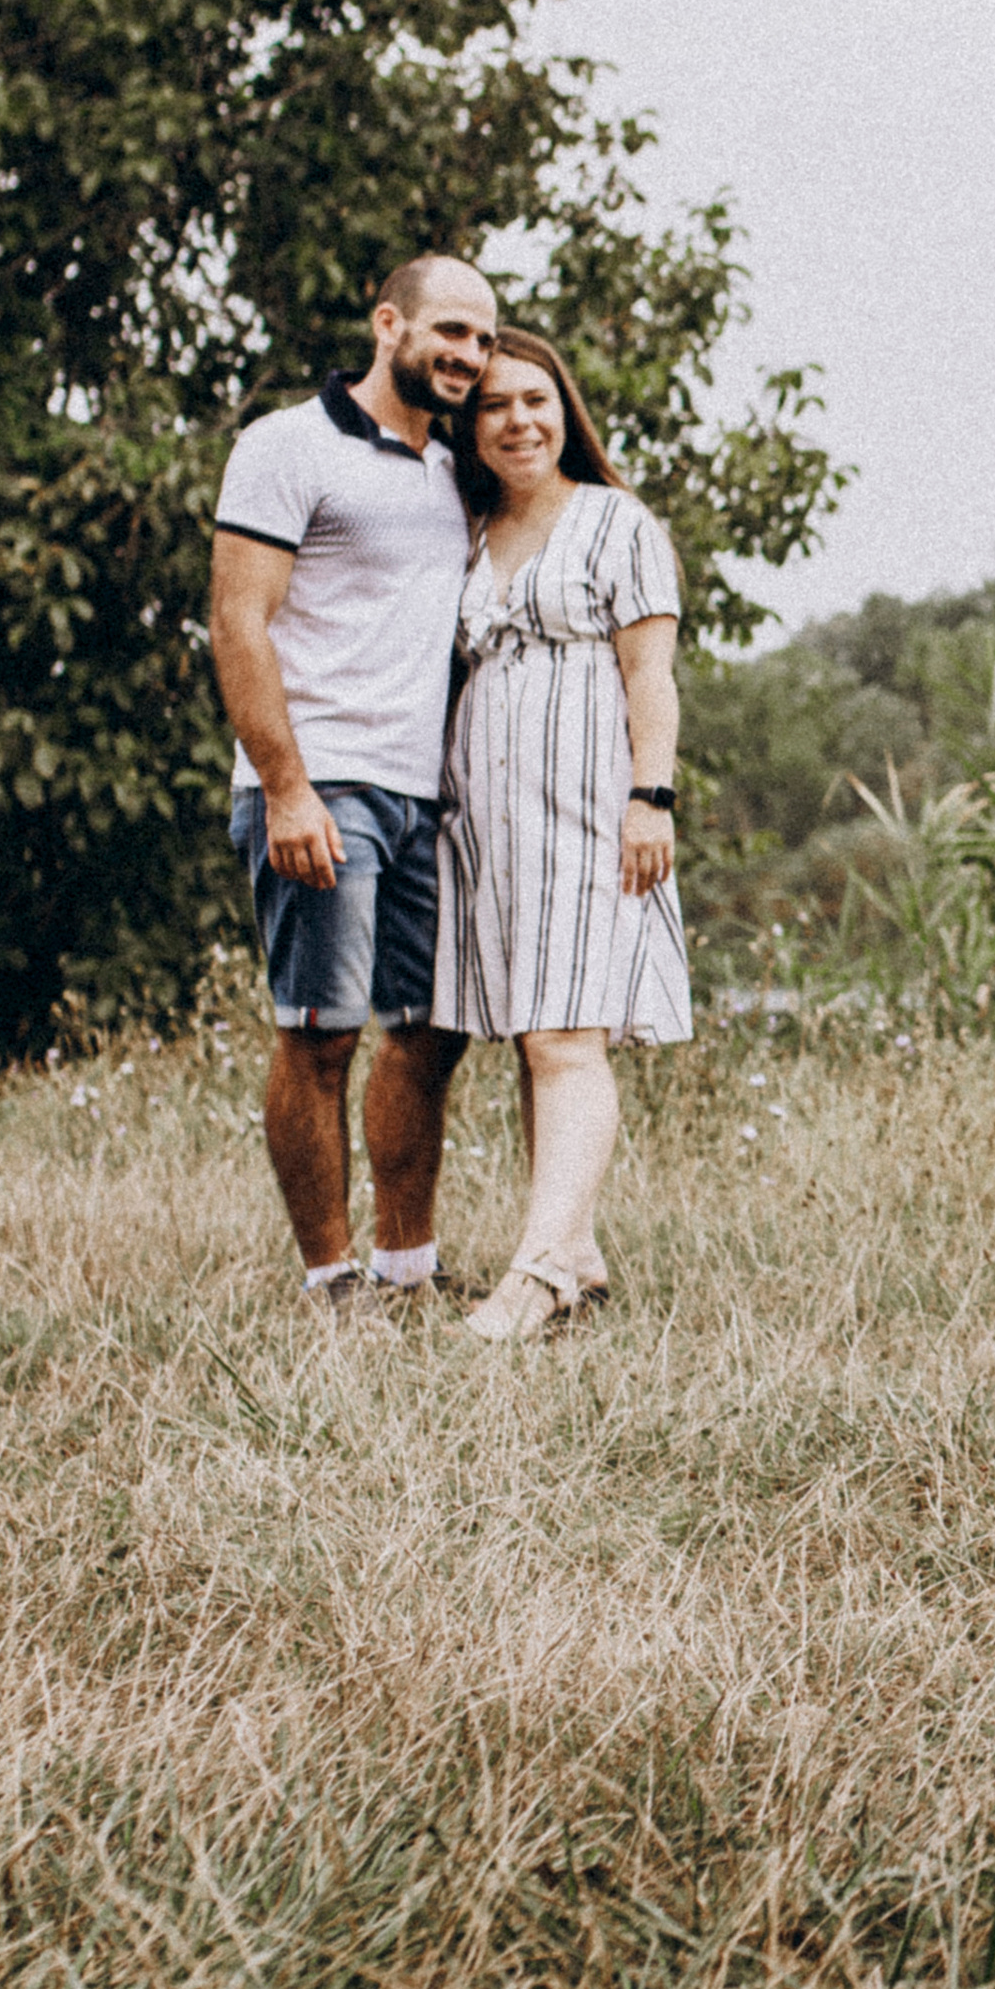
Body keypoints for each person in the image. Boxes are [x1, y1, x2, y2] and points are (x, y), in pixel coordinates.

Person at [209, 257, 498, 1322]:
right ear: (391, 324)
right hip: (319, 781)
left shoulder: (453, 472)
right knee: (321, 1031)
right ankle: (331, 1286)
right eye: (450, 331)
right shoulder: (287, 446)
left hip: (425, 794)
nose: (467, 355)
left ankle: (406, 1270)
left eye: (483, 339)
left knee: (429, 1028)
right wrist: (286, 788)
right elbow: (238, 621)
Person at [435, 326, 692, 1342]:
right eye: (495, 405)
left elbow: (649, 674)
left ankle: (535, 1275)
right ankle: (578, 1258)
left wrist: (650, 797)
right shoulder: (469, 529)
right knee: (530, 1037)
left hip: (591, 812)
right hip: (489, 824)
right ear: (473, 426)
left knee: (566, 1037)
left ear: (565, 411)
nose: (518, 421)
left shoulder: (614, 523)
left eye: (536, 401)